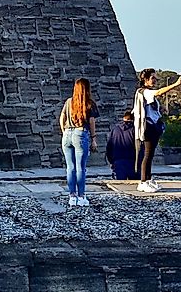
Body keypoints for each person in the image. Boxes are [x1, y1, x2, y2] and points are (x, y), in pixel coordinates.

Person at [132, 68, 181, 193]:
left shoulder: (145, 92)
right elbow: (159, 92)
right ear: (145, 80)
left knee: (150, 154)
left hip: (152, 125)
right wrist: (176, 84)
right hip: (148, 126)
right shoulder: (145, 92)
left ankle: (148, 179)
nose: (155, 80)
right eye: (153, 78)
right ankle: (143, 181)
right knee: (148, 154)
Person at [59, 78, 99, 206]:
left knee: (70, 167)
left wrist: (64, 131)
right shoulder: (89, 103)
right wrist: (93, 138)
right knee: (80, 168)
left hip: (67, 134)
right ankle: (81, 196)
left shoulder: (69, 102)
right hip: (80, 133)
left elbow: (62, 117)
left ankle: (72, 196)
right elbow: (92, 121)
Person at [105, 110, 138, 180]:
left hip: (118, 161)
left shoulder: (115, 130)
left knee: (120, 185)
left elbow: (109, 147)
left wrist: (111, 161)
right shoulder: (135, 130)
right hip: (132, 161)